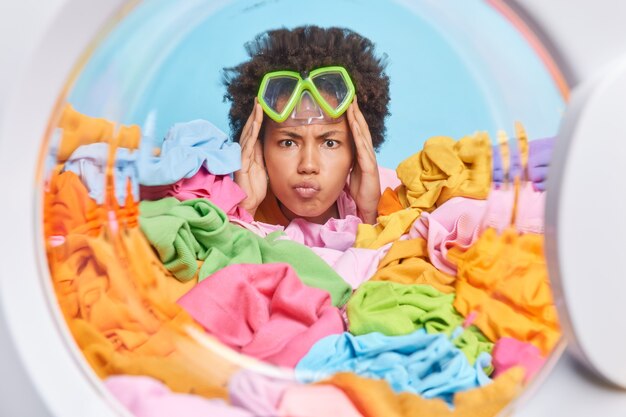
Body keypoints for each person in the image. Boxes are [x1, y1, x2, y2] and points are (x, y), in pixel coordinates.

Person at [223, 25, 390, 226]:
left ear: (355, 151)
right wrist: (245, 211)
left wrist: (371, 212)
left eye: (329, 143)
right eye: (287, 143)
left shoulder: (400, 198)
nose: (308, 166)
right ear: (260, 148)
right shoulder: (222, 217)